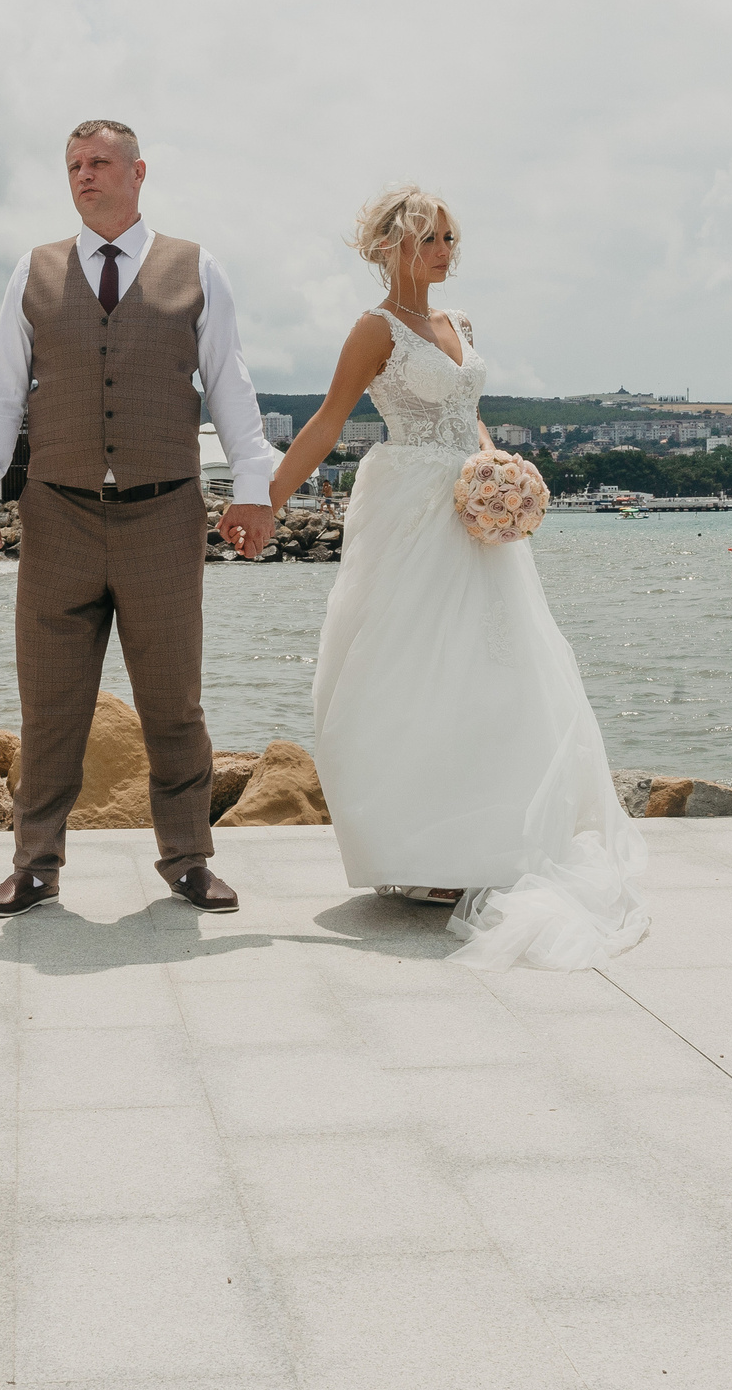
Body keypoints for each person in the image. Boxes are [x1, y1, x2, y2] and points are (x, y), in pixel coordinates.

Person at [266, 186, 648, 971]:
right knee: (405, 668)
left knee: (494, 669)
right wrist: (265, 500)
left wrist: (496, 466)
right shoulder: (374, 330)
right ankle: (416, 850)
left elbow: (467, 412)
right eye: (429, 238)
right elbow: (330, 420)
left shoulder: (460, 324)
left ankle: (485, 841)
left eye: (449, 238)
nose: (444, 251)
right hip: (408, 509)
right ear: (391, 246)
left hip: (473, 511)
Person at [0, 119, 279, 918]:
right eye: (73, 164)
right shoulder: (33, 271)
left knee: (174, 702)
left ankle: (188, 858)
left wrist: (253, 487)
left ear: (138, 172)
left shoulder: (196, 267)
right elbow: (1, 388)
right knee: (50, 704)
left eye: (99, 161)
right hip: (57, 515)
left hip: (164, 513)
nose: (84, 174)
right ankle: (35, 865)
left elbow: (230, 384)